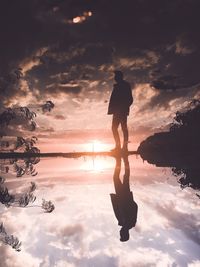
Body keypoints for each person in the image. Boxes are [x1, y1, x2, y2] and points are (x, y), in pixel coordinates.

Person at [110, 156, 138, 242]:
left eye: (120, 234)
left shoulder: (121, 221)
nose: (120, 232)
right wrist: (129, 200)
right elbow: (135, 207)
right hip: (125, 195)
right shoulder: (131, 223)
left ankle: (118, 159)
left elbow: (116, 208)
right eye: (121, 234)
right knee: (126, 176)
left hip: (119, 195)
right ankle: (125, 159)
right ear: (125, 233)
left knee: (115, 178)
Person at [108, 71, 133, 152]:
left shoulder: (125, 85)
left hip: (122, 111)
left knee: (123, 128)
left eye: (116, 76)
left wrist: (124, 107)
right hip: (116, 111)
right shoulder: (117, 86)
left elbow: (130, 99)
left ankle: (124, 147)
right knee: (114, 128)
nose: (114, 78)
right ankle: (118, 147)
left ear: (119, 77)